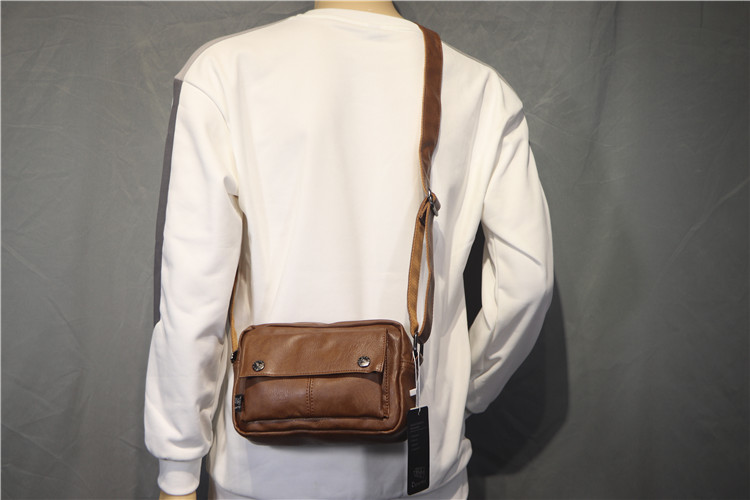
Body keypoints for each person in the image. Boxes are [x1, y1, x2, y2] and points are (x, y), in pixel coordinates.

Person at [144, 2, 553, 499]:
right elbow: (527, 283)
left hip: (262, 470)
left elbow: (193, 292)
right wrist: (463, 392)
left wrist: (178, 469)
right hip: (421, 472)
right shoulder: (481, 90)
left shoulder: (224, 71)